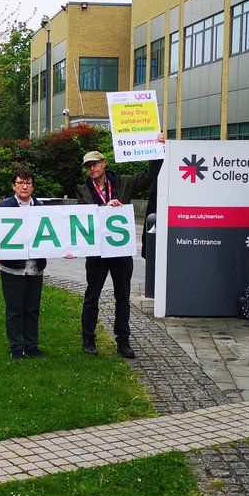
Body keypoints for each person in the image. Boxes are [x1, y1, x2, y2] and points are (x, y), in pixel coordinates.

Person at [75, 135, 164, 359]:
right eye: (88, 166)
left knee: (122, 297)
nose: (92, 168)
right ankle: (88, 339)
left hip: (120, 251)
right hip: (97, 252)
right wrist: (105, 207)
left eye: (95, 164)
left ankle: (123, 340)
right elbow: (82, 214)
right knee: (91, 296)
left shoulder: (122, 182)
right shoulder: (82, 190)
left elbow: (149, 176)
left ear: (104, 163)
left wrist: (156, 148)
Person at [0, 168, 48, 359]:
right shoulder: (3, 208)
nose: (25, 186)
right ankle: (16, 346)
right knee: (14, 308)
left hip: (35, 267)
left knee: (32, 308)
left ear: (32, 186)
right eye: (20, 183)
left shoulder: (41, 208)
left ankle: (32, 345)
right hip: (12, 268)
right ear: (13, 186)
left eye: (28, 183)